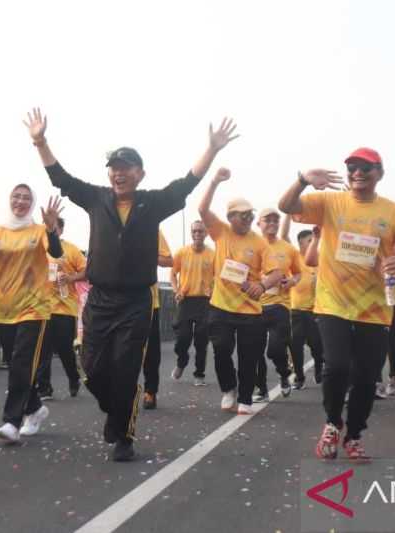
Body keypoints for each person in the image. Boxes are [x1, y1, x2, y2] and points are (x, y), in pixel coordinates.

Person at [24, 107, 238, 462]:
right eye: (114, 168)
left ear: (139, 174)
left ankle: (124, 435)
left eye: (125, 168)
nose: (118, 173)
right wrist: (40, 141)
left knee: (125, 370)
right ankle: (115, 410)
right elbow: (60, 178)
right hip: (100, 299)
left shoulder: (152, 203)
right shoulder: (96, 198)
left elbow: (186, 182)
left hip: (137, 301)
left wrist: (212, 149)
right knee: (92, 369)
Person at [279, 147, 395, 461]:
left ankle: (354, 435)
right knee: (337, 366)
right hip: (333, 303)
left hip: (375, 308)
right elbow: (286, 206)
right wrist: (302, 180)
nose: (357, 173)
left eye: (365, 168)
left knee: (365, 377)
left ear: (380, 173)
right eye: (352, 168)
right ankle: (332, 423)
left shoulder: (394, 213)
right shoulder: (330, 202)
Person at [0, 187, 64, 442]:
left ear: (32, 203)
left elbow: (56, 252)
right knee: (15, 365)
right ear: (10, 201)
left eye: (26, 198)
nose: (21, 201)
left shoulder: (39, 230)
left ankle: (11, 422)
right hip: (6, 307)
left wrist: (51, 229)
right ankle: (35, 408)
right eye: (16, 197)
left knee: (21, 363)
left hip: (35, 307)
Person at [198, 168, 282, 414]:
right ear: (230, 216)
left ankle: (245, 397)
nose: (246, 218)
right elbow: (202, 210)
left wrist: (262, 285)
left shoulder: (259, 243)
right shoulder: (220, 231)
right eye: (242, 215)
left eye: (250, 215)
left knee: (249, 357)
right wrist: (214, 181)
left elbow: (276, 273)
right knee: (221, 349)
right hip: (220, 307)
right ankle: (228, 388)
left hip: (251, 311)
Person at [252, 208, 302, 402]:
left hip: (280, 305)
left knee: (274, 349)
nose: (272, 222)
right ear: (259, 223)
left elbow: (298, 273)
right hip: (254, 306)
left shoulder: (288, 248)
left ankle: (283, 373)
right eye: (267, 219)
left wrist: (292, 282)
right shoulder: (252, 244)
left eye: (276, 219)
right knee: (254, 350)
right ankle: (261, 388)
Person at [36, 217, 87, 400]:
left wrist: (71, 278)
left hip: (65, 308)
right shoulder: (38, 248)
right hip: (41, 307)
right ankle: (44, 388)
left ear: (61, 230)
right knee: (42, 349)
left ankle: (73, 378)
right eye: (46, 227)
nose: (49, 230)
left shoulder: (72, 249)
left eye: (54, 227)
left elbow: (87, 271)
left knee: (65, 349)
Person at [170, 221, 215, 386]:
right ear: (191, 233)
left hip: (204, 301)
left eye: (201, 231)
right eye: (194, 231)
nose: (197, 234)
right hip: (185, 300)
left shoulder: (212, 255)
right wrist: (176, 290)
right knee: (182, 338)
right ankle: (182, 362)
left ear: (206, 234)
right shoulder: (182, 252)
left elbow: (218, 276)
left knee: (201, 340)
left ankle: (199, 374)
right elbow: (173, 274)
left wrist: (213, 290)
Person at [281, 216, 324, 388]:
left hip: (315, 311)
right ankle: (299, 377)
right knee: (295, 346)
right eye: (309, 241)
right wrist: (287, 214)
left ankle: (319, 369)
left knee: (317, 346)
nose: (313, 244)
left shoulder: (319, 257)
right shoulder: (295, 256)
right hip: (296, 311)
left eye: (314, 240)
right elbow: (283, 235)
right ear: (300, 244)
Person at [142, 231, 173, 409]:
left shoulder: (151, 226)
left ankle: (150, 391)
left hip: (147, 301)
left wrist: (147, 253)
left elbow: (168, 260)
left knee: (150, 352)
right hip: (118, 300)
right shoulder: (111, 223)